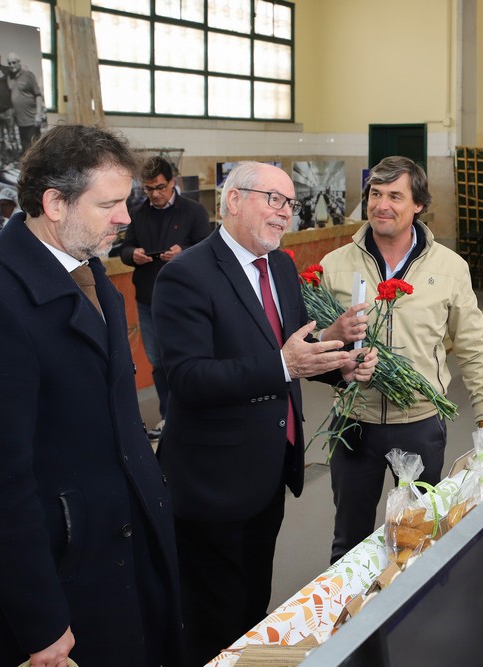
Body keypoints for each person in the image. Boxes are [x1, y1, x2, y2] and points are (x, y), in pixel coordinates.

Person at [0, 124, 185, 665]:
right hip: (62, 568)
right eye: (109, 204)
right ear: (55, 203)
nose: (127, 219)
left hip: (120, 544)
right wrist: (39, 620)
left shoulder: (88, 274)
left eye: (127, 201)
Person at [152, 161, 377, 665]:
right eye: (272, 199)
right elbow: (188, 378)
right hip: (211, 482)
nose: (283, 213)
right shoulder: (184, 276)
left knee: (253, 603)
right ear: (232, 200)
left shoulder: (279, 267)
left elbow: (294, 353)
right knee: (211, 617)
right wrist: (285, 361)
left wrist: (337, 353)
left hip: (268, 469)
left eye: (290, 203)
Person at [318, 156, 483, 564]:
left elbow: (472, 346)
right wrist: (341, 365)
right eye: (375, 194)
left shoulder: (450, 268)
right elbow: (315, 343)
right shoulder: (335, 266)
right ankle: (351, 624)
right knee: (349, 542)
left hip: (419, 424)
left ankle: (411, 621)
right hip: (353, 424)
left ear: (418, 204)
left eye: (395, 196)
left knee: (418, 538)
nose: (382, 205)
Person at [119, 156, 211, 435]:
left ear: (172, 182)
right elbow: (125, 248)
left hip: (185, 299)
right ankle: (168, 415)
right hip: (148, 299)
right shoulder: (137, 212)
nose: (155, 194)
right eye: (149, 189)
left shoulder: (193, 211)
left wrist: (184, 253)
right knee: (158, 362)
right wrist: (131, 254)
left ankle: (196, 413)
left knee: (190, 357)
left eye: (160, 187)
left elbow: (207, 248)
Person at [8, 52, 46, 156]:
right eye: (9, 63)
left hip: (31, 121)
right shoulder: (12, 78)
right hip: (21, 122)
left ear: (19, 62)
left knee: (35, 149)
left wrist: (38, 115)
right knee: (25, 149)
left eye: (14, 62)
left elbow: (38, 95)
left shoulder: (28, 75)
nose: (12, 65)